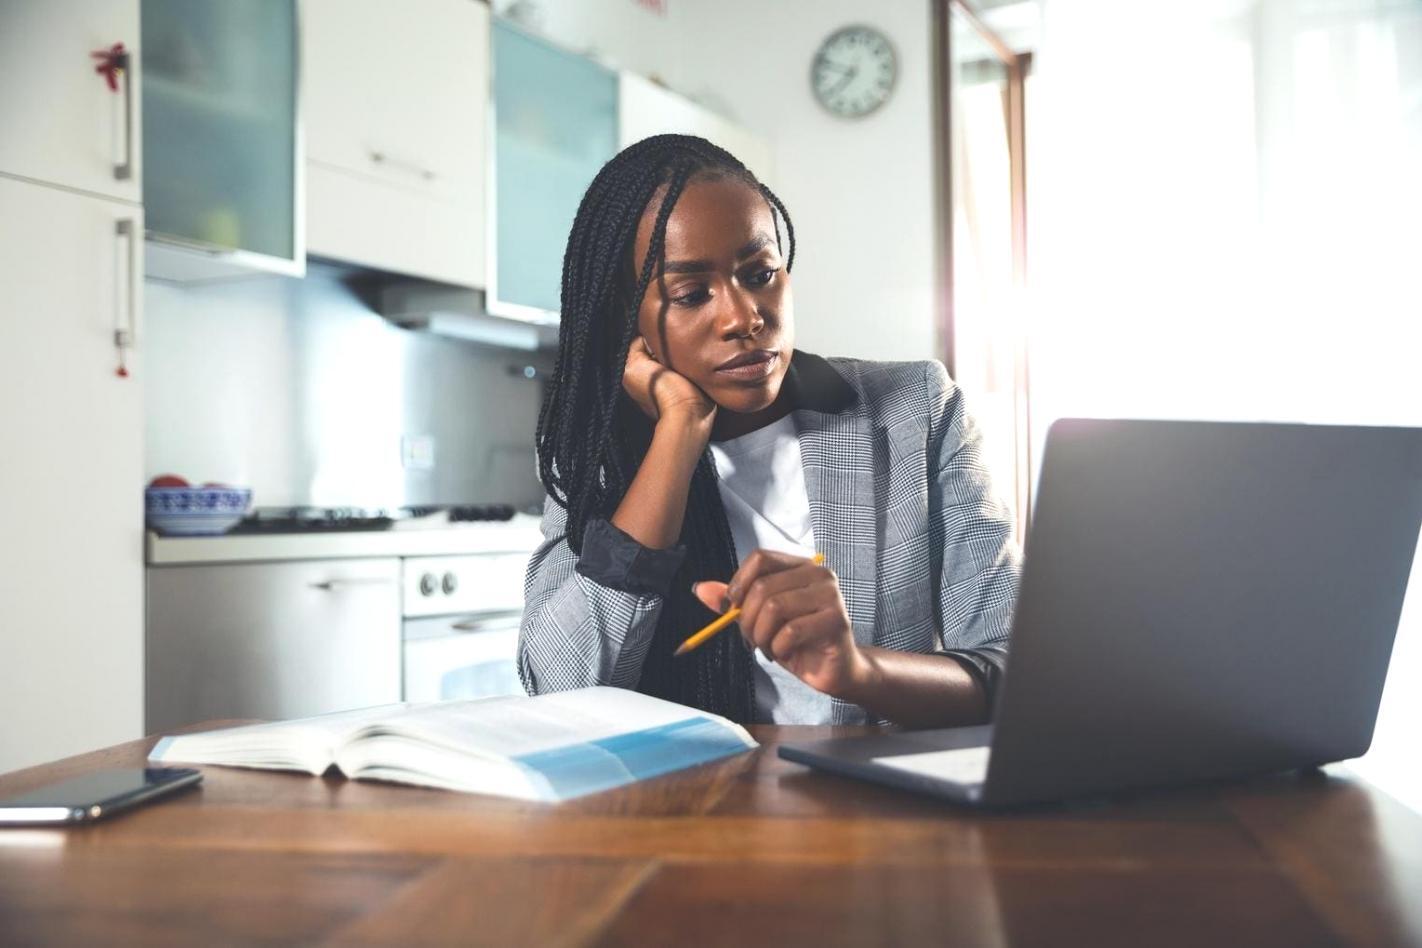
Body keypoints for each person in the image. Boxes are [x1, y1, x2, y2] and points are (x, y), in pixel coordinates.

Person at [519, 134, 1019, 728]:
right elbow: (559, 689)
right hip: (697, 787)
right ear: (629, 321)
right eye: (692, 294)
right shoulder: (598, 456)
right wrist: (678, 435)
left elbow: (1013, 674)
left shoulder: (915, 410)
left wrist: (857, 670)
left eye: (759, 274)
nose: (745, 317)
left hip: (874, 785)